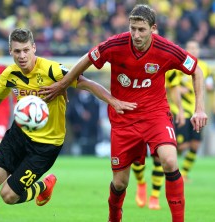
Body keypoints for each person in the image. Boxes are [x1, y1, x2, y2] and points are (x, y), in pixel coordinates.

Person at [0, 28, 137, 222]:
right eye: (17, 51)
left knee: (8, 196)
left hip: (46, 145)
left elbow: (87, 83)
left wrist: (113, 101)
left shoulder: (52, 70)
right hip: (19, 135)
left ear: (34, 48)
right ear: (10, 51)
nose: (22, 56)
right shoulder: (10, 75)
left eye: (26, 50)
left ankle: (42, 187)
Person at [40, 4, 208, 222]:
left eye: (141, 29)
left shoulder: (167, 49)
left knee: (169, 161)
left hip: (155, 115)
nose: (136, 35)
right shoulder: (115, 44)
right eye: (133, 28)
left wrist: (200, 109)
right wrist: (62, 84)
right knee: (120, 183)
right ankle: (114, 217)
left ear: (153, 28)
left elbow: (196, 69)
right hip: (123, 119)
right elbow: (87, 59)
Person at [131, 67, 186, 210]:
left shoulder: (168, 63)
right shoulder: (139, 60)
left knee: (161, 158)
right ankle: (141, 183)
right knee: (136, 157)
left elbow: (174, 88)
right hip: (136, 115)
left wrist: (180, 110)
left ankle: (154, 196)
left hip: (160, 116)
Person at [166, 40, 212, 182]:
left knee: (195, 144)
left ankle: (184, 173)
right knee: (182, 145)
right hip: (180, 111)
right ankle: (172, 170)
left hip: (196, 111)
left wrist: (210, 85)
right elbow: (169, 85)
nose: (193, 50)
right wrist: (181, 89)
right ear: (186, 49)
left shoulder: (204, 67)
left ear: (199, 50)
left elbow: (209, 82)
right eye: (190, 48)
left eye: (195, 48)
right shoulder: (178, 66)